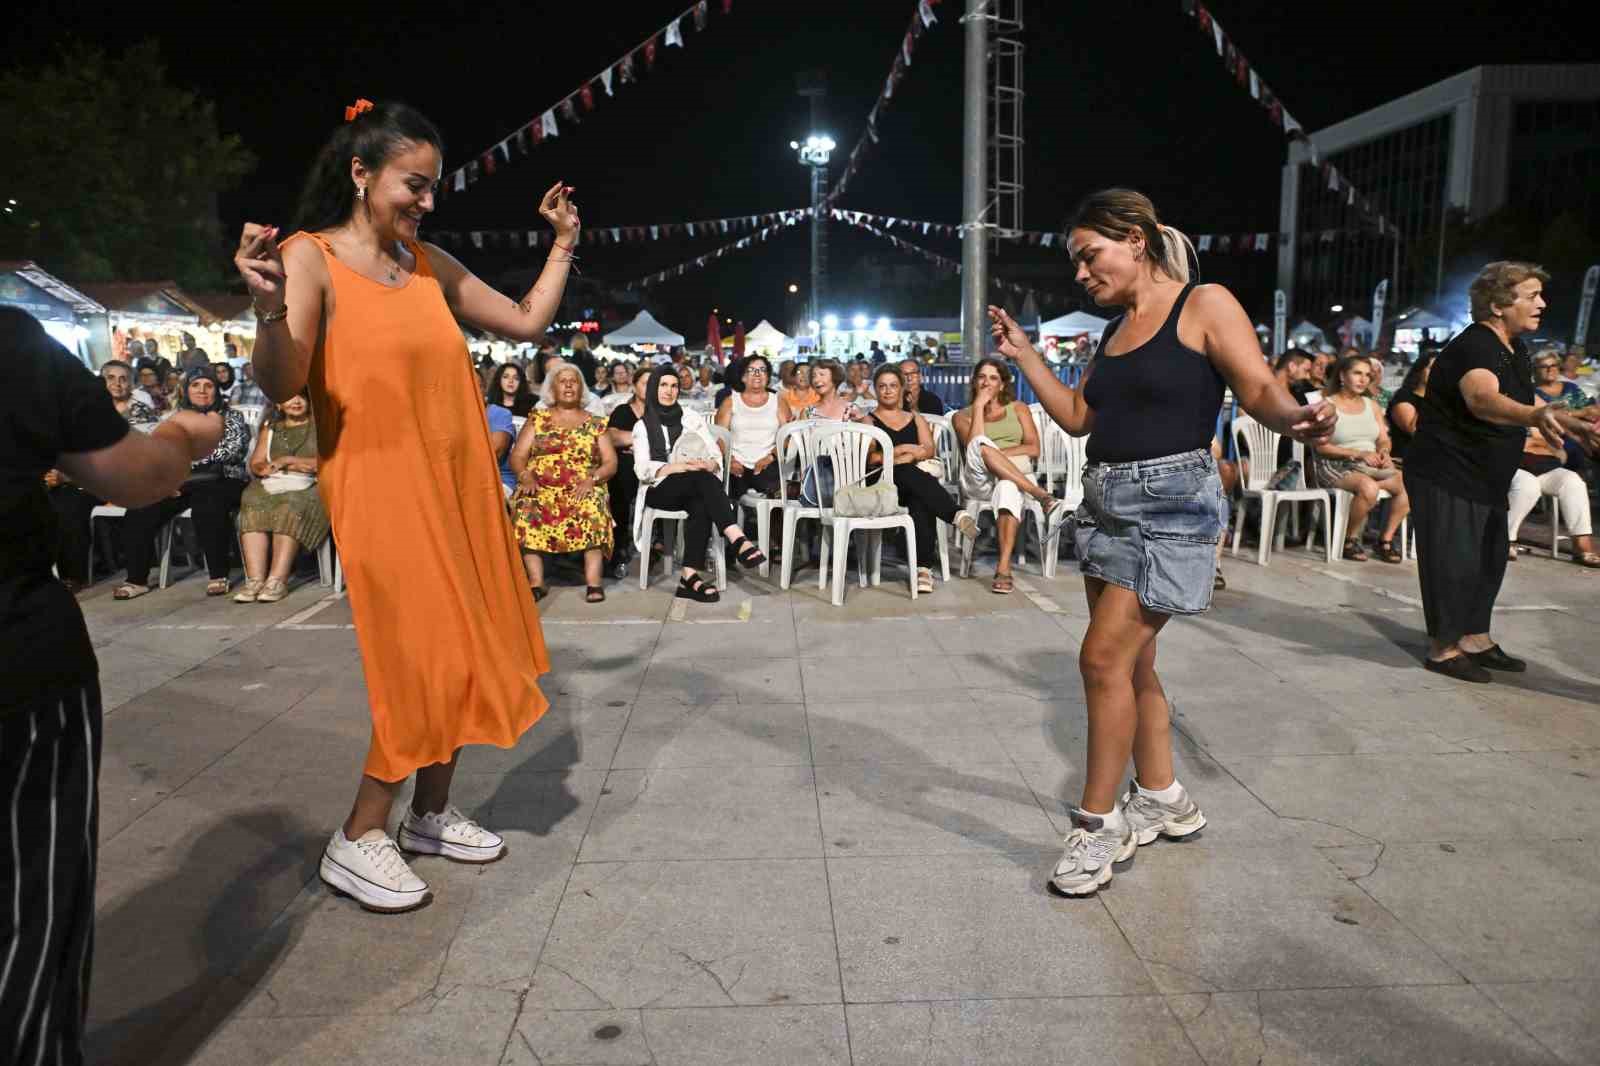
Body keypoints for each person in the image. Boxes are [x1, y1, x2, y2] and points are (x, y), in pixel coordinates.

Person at [235, 99, 581, 913]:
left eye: (433, 188)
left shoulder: (426, 263)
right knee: (421, 659)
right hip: (380, 486)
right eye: (412, 185)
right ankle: (359, 835)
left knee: (467, 643)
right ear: (361, 174)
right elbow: (283, 382)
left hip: (457, 481)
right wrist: (264, 304)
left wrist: (562, 244)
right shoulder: (308, 257)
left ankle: (427, 816)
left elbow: (529, 322)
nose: (426, 202)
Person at [990, 188, 1337, 896]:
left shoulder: (1202, 305)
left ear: (1137, 240)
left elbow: (1259, 386)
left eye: (1091, 256)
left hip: (1173, 503)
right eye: (1076, 264)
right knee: (1135, 665)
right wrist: (1026, 357)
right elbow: (1081, 417)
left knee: (1100, 659)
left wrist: (1296, 418)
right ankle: (1163, 796)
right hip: (1107, 501)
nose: (1082, 274)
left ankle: (1098, 827)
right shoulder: (1113, 332)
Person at [1, 308, 222, 1066]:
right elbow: (138, 477)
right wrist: (185, 438)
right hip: (17, 660)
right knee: (28, 907)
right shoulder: (11, 343)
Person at [1403, 261, 1600, 683]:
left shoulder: (1516, 347)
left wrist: (1570, 418)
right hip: (1447, 471)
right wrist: (1535, 413)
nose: (1542, 304)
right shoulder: (1475, 346)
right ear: (1497, 304)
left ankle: (1474, 637)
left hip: (1486, 473)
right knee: (1452, 560)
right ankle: (1442, 648)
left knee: (1489, 558)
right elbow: (1481, 399)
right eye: (1531, 296)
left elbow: (1526, 407)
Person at [114, 365, 252, 599]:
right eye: (195, 386)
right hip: (182, 481)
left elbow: (231, 451)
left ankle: (219, 574)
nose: (202, 391)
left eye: (208, 386)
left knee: (207, 504)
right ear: (186, 390)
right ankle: (136, 579)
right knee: (141, 508)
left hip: (223, 478)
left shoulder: (232, 416)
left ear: (216, 391)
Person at [632, 365, 765, 602]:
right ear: (654, 389)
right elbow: (642, 468)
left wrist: (709, 465)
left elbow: (715, 456)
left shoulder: (691, 418)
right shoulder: (642, 426)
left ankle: (689, 577)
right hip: (660, 488)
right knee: (700, 482)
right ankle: (737, 537)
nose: (669, 391)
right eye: (663, 385)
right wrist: (678, 467)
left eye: (674, 385)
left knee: (701, 499)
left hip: (695, 485)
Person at [951, 357, 1064, 594]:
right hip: (979, 479)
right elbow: (974, 446)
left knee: (1008, 487)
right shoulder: (961, 416)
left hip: (1014, 476)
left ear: (1002, 384)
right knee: (982, 445)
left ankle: (1003, 567)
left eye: (993, 378)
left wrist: (998, 456)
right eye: (981, 377)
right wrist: (979, 408)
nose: (987, 382)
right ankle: (1041, 495)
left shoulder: (1019, 408)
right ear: (974, 382)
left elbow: (1033, 448)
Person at [508, 361, 617, 603]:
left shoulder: (596, 423)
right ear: (553, 389)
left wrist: (593, 480)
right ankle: (536, 582)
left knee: (592, 507)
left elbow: (610, 462)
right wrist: (525, 475)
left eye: (574, 380)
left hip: (582, 485)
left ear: (581, 388)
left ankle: (594, 583)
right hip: (541, 486)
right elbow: (517, 456)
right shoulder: (538, 418)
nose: (568, 385)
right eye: (562, 381)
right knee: (526, 506)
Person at [868, 364, 977, 593]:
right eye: (882, 386)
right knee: (911, 474)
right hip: (881, 483)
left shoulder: (915, 417)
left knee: (920, 498)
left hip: (911, 482)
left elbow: (928, 449)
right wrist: (904, 451)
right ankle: (955, 514)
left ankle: (923, 570)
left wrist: (899, 454)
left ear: (901, 389)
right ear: (876, 390)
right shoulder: (868, 420)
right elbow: (871, 458)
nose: (888, 391)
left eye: (893, 386)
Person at [234, 389, 330, 602]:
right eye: (289, 397)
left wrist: (288, 461)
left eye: (302, 396)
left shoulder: (319, 425)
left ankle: (277, 580)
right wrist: (263, 468)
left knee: (289, 505)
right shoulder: (271, 428)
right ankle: (255, 580)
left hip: (310, 485)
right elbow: (257, 462)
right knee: (251, 499)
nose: (296, 401)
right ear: (278, 404)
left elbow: (329, 463)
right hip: (276, 481)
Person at [1312, 354, 1410, 563]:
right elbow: (1321, 447)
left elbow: (1384, 439)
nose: (1363, 379)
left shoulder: (1371, 405)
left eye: (1367, 375)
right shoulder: (1327, 404)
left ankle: (1385, 539)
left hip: (1369, 465)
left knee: (1408, 482)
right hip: (1336, 463)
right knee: (1369, 488)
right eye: (1357, 373)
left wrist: (1384, 452)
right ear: (1342, 376)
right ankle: (1348, 538)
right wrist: (1358, 454)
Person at [1507, 351, 1599, 565]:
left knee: (1574, 482)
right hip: (1515, 464)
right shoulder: (1506, 399)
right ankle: (1506, 540)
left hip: (1544, 462)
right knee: (1528, 485)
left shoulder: (1539, 399)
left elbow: (1553, 429)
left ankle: (1582, 547)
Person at [715, 354, 791, 500]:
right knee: (728, 488)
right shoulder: (731, 401)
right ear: (743, 377)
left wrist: (769, 458)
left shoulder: (778, 401)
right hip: (736, 463)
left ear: (768, 377)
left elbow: (787, 437)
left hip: (768, 463)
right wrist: (730, 460)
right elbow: (720, 437)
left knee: (770, 484)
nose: (757, 374)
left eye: (762, 370)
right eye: (751, 370)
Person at [605, 369, 652, 577]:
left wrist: (634, 442)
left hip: (656, 468)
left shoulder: (663, 412)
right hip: (628, 468)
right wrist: (647, 441)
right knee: (621, 470)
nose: (649, 388)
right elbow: (613, 438)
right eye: (644, 383)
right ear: (634, 385)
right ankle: (620, 541)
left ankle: (656, 541)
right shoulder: (623, 411)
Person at [1386, 351, 1436, 464]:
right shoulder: (1404, 397)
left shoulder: (1443, 399)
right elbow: (1416, 432)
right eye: (1432, 368)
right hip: (1408, 458)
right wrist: (1431, 398)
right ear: (1420, 370)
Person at [802, 360, 867, 423]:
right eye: (813, 376)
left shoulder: (851, 409)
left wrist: (862, 420)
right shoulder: (808, 412)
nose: (816, 380)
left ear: (835, 377)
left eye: (821, 374)